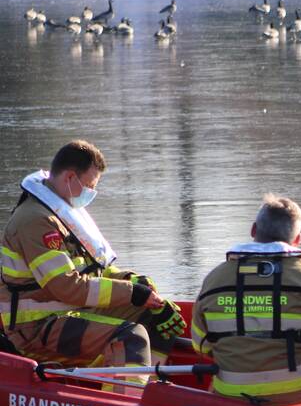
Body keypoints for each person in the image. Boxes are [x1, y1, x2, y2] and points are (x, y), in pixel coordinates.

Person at [0, 140, 186, 376]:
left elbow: (92, 270)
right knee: (131, 337)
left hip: (71, 313)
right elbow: (68, 287)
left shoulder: (62, 212)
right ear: (69, 178)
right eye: (89, 185)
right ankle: (124, 405)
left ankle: (150, 388)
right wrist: (132, 293)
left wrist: (133, 281)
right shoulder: (36, 221)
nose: (91, 193)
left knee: (157, 317)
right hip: (37, 328)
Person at [191, 195, 301, 406]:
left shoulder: (214, 279)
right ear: (297, 239)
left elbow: (200, 344)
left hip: (231, 396)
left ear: (254, 230)